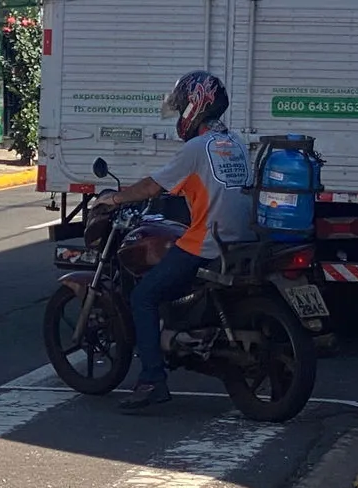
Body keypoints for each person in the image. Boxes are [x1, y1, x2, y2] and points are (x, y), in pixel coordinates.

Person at [92, 70, 256, 411]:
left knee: (144, 296)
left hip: (210, 243)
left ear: (196, 107)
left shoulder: (196, 148)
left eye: (182, 108)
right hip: (245, 239)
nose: (180, 115)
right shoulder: (235, 142)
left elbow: (154, 186)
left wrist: (116, 199)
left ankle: (152, 379)